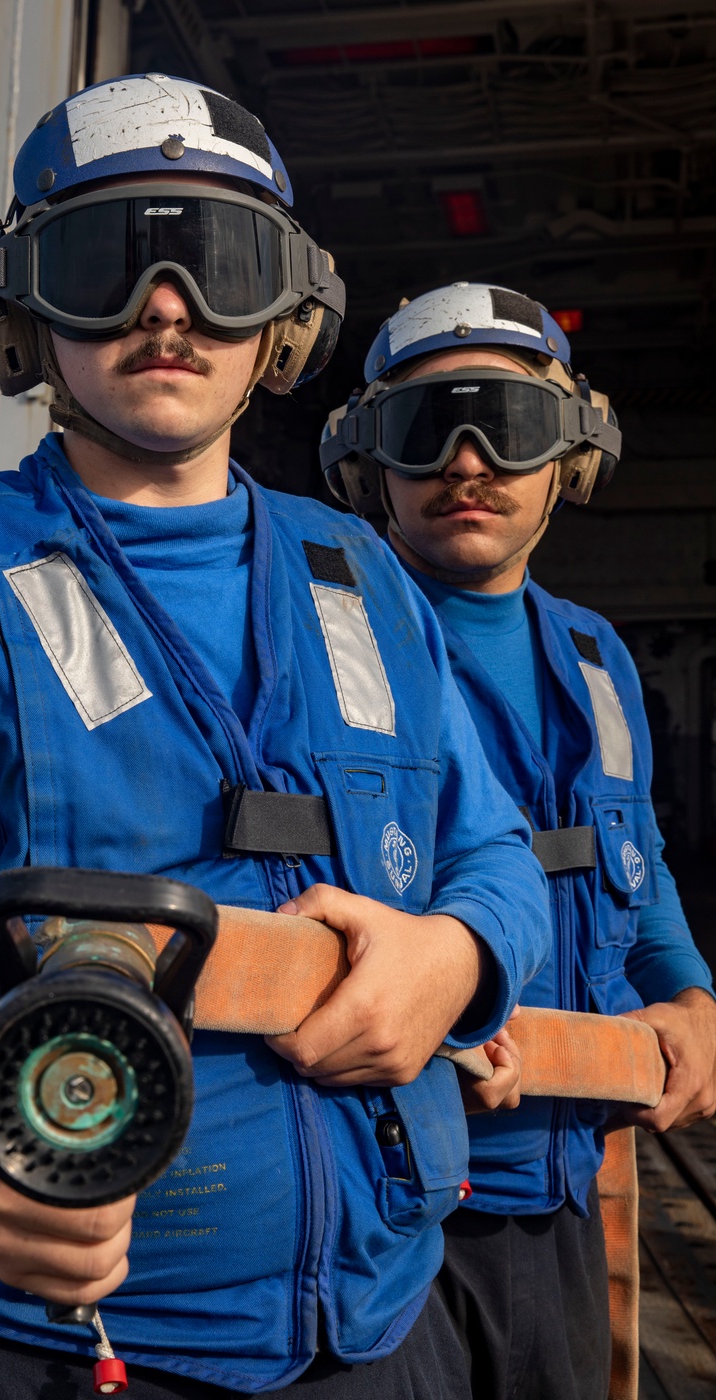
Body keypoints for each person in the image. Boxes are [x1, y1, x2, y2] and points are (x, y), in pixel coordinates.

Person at [0, 84, 550, 1400]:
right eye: (111, 262)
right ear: (24, 309)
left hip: (379, 1328)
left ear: (284, 317)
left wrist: (458, 952)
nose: (167, 305)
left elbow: (489, 845)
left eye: (219, 263)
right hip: (42, 1343)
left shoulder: (372, 581)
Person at [321, 281, 716, 1400]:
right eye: (423, 426)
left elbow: (630, 855)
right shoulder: (323, 633)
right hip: (383, 1192)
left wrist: (686, 991)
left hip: (560, 1189)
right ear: (366, 462)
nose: (466, 458)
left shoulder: (595, 657)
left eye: (513, 424)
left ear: (571, 458)